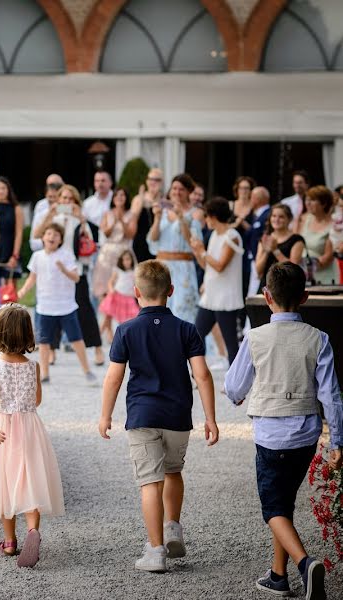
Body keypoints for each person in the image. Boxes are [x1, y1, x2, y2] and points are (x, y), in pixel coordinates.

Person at [224, 262, 342, 599]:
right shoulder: (318, 339)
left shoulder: (255, 337)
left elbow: (234, 387)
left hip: (270, 434)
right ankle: (278, 575)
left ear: (266, 297)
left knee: (272, 508)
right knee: (284, 501)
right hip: (305, 434)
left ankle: (306, 565)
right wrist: (337, 440)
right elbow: (330, 394)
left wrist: (239, 394)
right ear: (305, 297)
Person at [99, 259, 218, 574]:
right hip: (178, 415)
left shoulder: (125, 330)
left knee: (149, 482)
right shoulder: (187, 329)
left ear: (136, 292)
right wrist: (211, 418)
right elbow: (203, 375)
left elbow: (113, 378)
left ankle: (155, 551)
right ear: (171, 291)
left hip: (142, 415)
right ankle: (173, 528)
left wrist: (105, 415)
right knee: (173, 471)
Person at [0, 304, 64, 567]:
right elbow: (36, 400)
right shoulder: (33, 366)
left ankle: (10, 541)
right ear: (27, 334)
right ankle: (33, 531)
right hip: (29, 426)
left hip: (1, 425)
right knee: (30, 479)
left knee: (5, 482)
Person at [17, 223, 95, 384]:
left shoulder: (66, 255)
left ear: (60, 240)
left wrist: (63, 269)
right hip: (45, 307)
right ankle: (45, 373)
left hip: (66, 307)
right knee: (44, 342)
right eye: (49, 234)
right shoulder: (37, 256)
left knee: (76, 340)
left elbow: (76, 277)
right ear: (43, 237)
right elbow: (32, 276)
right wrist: (23, 290)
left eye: (56, 235)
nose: (52, 237)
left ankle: (87, 371)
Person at [35, 184, 104, 364]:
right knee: (54, 308)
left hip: (74, 268)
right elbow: (37, 235)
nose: (66, 202)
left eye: (70, 199)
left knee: (84, 308)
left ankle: (96, 347)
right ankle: (52, 349)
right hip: (53, 269)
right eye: (63, 198)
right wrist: (50, 214)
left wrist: (81, 218)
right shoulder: (53, 218)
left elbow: (89, 240)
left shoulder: (79, 220)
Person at [190, 198, 244, 367]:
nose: (206, 221)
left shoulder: (232, 236)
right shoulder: (214, 234)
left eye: (207, 217)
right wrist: (197, 252)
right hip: (210, 297)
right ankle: (196, 374)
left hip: (226, 299)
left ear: (213, 216)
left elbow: (220, 266)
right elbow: (208, 266)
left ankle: (235, 385)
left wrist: (202, 252)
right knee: (195, 336)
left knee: (231, 344)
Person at [147, 173, 203, 324]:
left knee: (182, 309)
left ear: (188, 192)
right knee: (158, 308)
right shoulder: (163, 212)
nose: (177, 192)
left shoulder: (195, 213)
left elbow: (193, 242)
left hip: (183, 268)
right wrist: (157, 218)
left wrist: (181, 217)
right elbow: (152, 240)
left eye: (181, 189)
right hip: (162, 267)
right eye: (174, 188)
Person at [92, 187, 137, 300]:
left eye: (122, 195)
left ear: (126, 198)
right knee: (105, 285)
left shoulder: (131, 215)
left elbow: (131, 235)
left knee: (124, 284)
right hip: (108, 252)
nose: (119, 198)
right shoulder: (107, 214)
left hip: (123, 251)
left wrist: (122, 221)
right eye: (117, 195)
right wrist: (114, 221)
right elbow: (105, 233)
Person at [255, 204, 305, 291]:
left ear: (289, 219)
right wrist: (267, 251)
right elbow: (258, 271)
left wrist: (275, 250)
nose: (276, 220)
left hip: (286, 288)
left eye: (281, 217)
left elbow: (293, 269)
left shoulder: (297, 240)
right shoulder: (265, 239)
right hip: (266, 287)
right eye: (274, 216)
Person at [98, 250, 139, 341]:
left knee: (131, 318)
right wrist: (111, 289)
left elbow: (136, 284)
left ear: (132, 260)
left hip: (129, 298)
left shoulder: (134, 272)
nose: (126, 262)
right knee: (107, 317)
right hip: (116, 295)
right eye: (124, 260)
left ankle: (125, 338)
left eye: (128, 259)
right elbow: (110, 282)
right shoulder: (118, 270)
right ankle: (98, 336)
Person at [300, 185, 336, 284]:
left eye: (312, 200)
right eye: (307, 199)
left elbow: (328, 257)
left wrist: (307, 267)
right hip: (302, 275)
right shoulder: (304, 219)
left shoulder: (334, 225)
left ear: (323, 203)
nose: (308, 203)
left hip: (323, 277)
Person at [0, 176, 24, 281]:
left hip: (9, 248)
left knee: (10, 288)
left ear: (8, 190)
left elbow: (19, 233)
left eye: (3, 188)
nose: (0, 191)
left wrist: (15, 255)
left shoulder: (16, 208)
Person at [131, 168, 165, 262]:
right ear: (147, 181)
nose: (153, 182)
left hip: (159, 242)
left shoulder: (164, 199)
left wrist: (157, 199)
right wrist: (142, 200)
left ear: (162, 182)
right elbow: (133, 221)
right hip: (141, 242)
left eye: (157, 180)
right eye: (150, 179)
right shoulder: (138, 199)